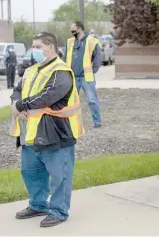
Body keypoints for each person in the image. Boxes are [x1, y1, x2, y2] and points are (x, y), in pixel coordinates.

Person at [9, 32, 84, 227]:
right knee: (30, 171)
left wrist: (21, 106)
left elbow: (48, 95)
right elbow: (18, 90)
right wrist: (16, 102)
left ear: (50, 48)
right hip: (31, 133)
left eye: (38, 47)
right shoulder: (31, 70)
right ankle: (38, 204)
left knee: (60, 175)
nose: (34, 51)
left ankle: (59, 211)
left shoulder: (61, 71)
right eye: (33, 47)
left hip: (56, 132)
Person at [64, 21, 102, 128]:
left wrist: (93, 70)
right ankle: (69, 123)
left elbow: (98, 57)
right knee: (70, 100)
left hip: (86, 77)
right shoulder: (70, 42)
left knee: (92, 100)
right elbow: (65, 58)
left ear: (80, 29)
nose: (72, 31)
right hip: (73, 77)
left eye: (73, 29)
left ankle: (97, 122)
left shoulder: (92, 41)